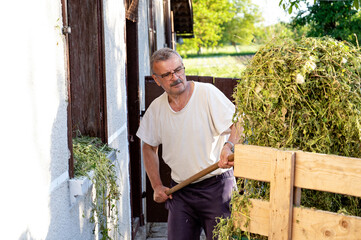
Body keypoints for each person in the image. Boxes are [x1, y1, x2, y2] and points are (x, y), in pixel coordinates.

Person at [136, 48, 242, 240]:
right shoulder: (157, 109)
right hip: (181, 191)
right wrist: (157, 185)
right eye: (167, 74)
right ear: (157, 79)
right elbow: (149, 147)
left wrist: (229, 146)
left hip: (217, 188)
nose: (175, 77)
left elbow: (238, 123)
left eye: (178, 70)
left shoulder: (207, 94)